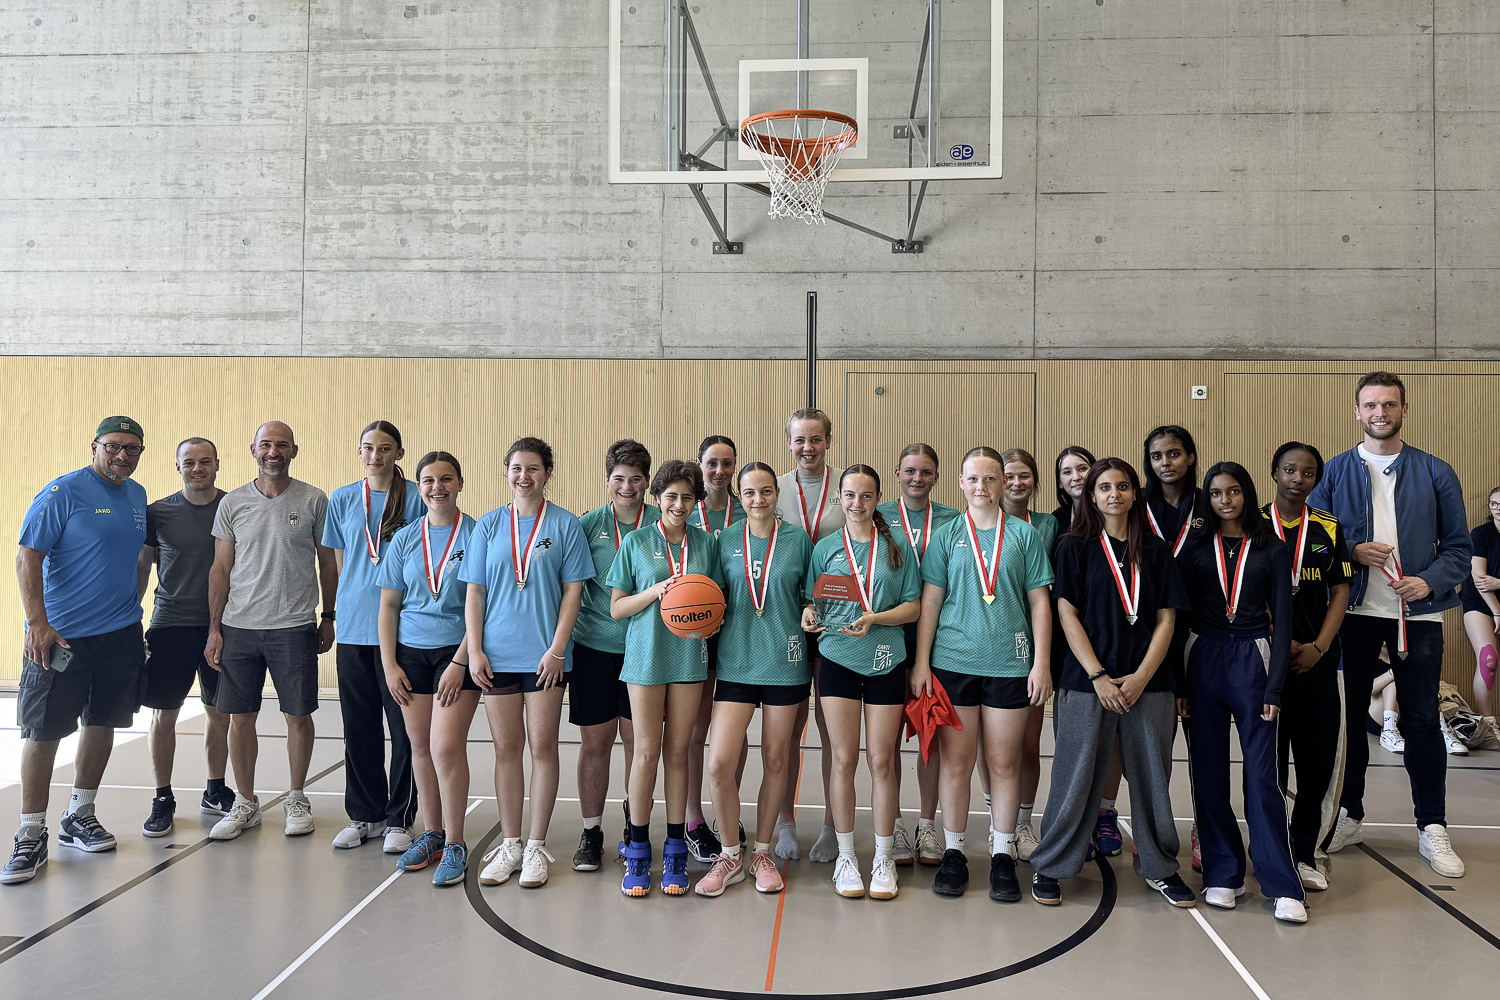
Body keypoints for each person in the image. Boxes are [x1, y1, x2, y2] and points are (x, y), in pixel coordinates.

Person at [1312, 371, 1471, 878]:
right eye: (1371, 405)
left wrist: (1428, 582)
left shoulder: (1436, 472)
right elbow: (1311, 547)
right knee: (1349, 721)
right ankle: (1348, 814)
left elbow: (1461, 550)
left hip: (1417, 617)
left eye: (1389, 404)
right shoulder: (1334, 473)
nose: (1380, 413)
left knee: (1422, 722)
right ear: (1356, 412)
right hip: (1351, 617)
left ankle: (1432, 827)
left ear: (1404, 410)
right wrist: (1351, 551)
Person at [1030, 458, 1196, 908]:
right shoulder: (1074, 547)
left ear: (1135, 493)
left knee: (1152, 779)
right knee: (1075, 776)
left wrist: (1141, 677)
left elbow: (1167, 620)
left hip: (1149, 683)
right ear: (1091, 495)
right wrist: (1099, 676)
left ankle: (1161, 866)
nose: (1114, 494)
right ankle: (1052, 864)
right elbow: (1067, 614)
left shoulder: (1157, 551)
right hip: (1087, 683)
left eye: (1123, 486)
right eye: (1104, 487)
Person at [5, 417, 149, 885]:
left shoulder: (137, 495)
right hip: (63, 637)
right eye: (114, 447)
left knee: (103, 722)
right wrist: (37, 624)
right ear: (95, 446)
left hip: (121, 635)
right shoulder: (62, 492)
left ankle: (79, 815)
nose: (122, 456)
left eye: (132, 449)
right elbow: (28, 555)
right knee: (44, 731)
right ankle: (30, 832)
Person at [911, 447, 1053, 902]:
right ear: (960, 482)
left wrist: (1042, 663)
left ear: (1003, 483)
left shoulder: (1025, 536)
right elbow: (930, 602)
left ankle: (1002, 853)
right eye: (973, 479)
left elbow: (1039, 603)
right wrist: (921, 662)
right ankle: (954, 852)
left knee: (1004, 762)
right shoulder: (947, 536)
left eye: (991, 479)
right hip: (952, 664)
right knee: (956, 762)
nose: (982, 487)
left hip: (1010, 665)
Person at [1177, 461, 1305, 923]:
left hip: (1255, 658)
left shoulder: (1272, 547)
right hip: (1204, 658)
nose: (1225, 500)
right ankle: (1222, 873)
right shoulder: (1193, 550)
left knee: (1262, 778)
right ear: (1206, 500)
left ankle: (1280, 883)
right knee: (1207, 774)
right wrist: (1178, 683)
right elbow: (1177, 622)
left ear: (1247, 495)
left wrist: (1276, 686)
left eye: (1233, 491)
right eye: (1215, 493)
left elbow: (1285, 619)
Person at [464, 438, 594, 890]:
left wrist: (557, 650)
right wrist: (475, 650)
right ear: (506, 472)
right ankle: (511, 842)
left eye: (534, 468)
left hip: (545, 658)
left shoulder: (565, 524)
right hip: (495, 656)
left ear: (548, 473)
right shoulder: (486, 526)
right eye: (516, 468)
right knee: (505, 749)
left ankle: (537, 846)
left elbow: (573, 592)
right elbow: (475, 592)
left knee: (542, 747)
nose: (525, 476)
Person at [205, 421, 336, 842]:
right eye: (266, 444)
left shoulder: (315, 500)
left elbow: (327, 563)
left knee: (298, 716)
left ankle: (297, 797)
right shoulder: (233, 504)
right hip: (239, 628)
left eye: (281, 444)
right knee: (240, 719)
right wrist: (214, 629)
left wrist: (328, 615)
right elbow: (220, 569)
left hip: (294, 626)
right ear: (253, 450)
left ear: (294, 451)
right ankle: (246, 801)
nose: (273, 451)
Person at [695, 463, 814, 897]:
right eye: (750, 493)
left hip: (785, 663)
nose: (758, 499)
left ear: (775, 495)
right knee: (720, 762)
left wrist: (809, 609)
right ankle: (730, 854)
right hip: (736, 664)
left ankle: (762, 851)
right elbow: (708, 596)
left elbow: (812, 594)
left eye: (766, 491)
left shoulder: (799, 540)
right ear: (739, 496)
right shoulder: (723, 540)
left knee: (776, 759)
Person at [609, 459, 726, 897]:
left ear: (698, 501)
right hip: (645, 657)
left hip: (688, 658)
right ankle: (638, 849)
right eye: (671, 496)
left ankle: (675, 848)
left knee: (678, 753)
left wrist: (712, 619)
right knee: (645, 752)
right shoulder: (637, 542)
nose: (679, 504)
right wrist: (657, 592)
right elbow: (617, 607)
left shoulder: (705, 543)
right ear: (657, 499)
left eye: (688, 497)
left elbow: (715, 600)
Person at [804, 466, 921, 899]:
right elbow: (812, 600)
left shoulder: (897, 548)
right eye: (849, 496)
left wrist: (875, 618)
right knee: (843, 760)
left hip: (886, 660)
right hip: (837, 660)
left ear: (877, 499)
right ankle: (848, 856)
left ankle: (884, 857)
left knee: (882, 761)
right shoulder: (826, 548)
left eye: (866, 496)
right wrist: (808, 613)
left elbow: (912, 608)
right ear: (840, 498)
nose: (857, 504)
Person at [324, 421, 425, 853]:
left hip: (403, 632)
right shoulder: (343, 498)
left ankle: (400, 817)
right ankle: (364, 814)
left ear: (399, 453)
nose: (376, 455)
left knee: (405, 729)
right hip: (353, 629)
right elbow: (342, 564)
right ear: (359, 452)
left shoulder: (419, 498)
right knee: (359, 727)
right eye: (368, 448)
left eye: (385, 449)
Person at [376, 451, 477, 880]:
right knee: (418, 748)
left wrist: (460, 662)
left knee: (445, 747)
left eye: (446, 479)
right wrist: (389, 665)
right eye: (429, 481)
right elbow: (388, 605)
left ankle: (455, 841)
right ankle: (432, 834)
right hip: (409, 654)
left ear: (459, 483)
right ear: (419, 487)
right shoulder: (404, 538)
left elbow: (482, 606)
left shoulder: (477, 534)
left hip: (458, 652)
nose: (438, 487)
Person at [1262, 443, 1351, 891]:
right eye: (1290, 470)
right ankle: (1274, 852)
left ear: (1316, 479)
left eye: (1308, 472)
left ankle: (1307, 853)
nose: (1298, 478)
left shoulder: (1329, 527)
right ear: (1274, 472)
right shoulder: (1255, 525)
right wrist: (1282, 640)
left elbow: (1340, 591)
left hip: (1319, 663)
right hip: (1268, 665)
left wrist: (1318, 644)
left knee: (1316, 765)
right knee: (1269, 766)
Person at [569, 439, 659, 872]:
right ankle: (591, 831)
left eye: (636, 479)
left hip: (646, 651)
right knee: (595, 743)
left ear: (647, 482)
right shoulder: (587, 525)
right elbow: (571, 590)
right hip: (594, 648)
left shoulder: (662, 524)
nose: (627, 487)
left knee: (637, 743)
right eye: (619, 479)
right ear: (608, 481)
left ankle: (633, 825)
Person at [137, 437, 232, 838]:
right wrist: (131, 618)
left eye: (205, 461)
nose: (198, 468)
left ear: (217, 465)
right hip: (170, 625)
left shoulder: (234, 506)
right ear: (177, 467)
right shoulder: (157, 512)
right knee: (165, 715)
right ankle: (163, 797)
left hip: (222, 627)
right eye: (189, 462)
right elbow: (143, 567)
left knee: (218, 712)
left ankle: (215, 789)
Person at [877, 443, 960, 866]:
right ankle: (892, 823)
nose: (917, 478)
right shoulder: (877, 516)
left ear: (937, 477)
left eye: (926, 472)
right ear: (897, 472)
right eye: (910, 470)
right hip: (888, 641)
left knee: (931, 737)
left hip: (937, 642)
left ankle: (928, 826)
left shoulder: (951, 520)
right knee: (886, 739)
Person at [774, 407, 846, 863]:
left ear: (828, 441)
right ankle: (784, 822)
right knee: (789, 728)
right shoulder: (773, 488)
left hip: (835, 619)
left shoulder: (848, 486)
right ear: (788, 443)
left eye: (815, 439)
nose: (807, 448)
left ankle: (830, 827)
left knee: (831, 730)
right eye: (799, 440)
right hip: (785, 618)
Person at [1141, 424, 1201, 865]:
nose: (1166, 463)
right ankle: (1153, 831)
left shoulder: (1210, 503)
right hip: (1150, 629)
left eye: (1174, 454)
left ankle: (1205, 826)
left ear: (1191, 457)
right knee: (1155, 747)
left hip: (1203, 631)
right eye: (1158, 456)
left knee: (1204, 743)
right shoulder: (1137, 503)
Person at [682, 434, 743, 862]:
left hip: (741, 630)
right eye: (712, 463)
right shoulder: (688, 511)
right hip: (697, 632)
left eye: (727, 463)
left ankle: (726, 813)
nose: (719, 471)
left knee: (731, 733)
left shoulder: (750, 509)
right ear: (700, 466)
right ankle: (693, 819)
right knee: (694, 728)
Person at [999, 448, 1058, 863]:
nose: (1016, 483)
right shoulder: (975, 524)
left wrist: (1043, 656)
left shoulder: (1047, 525)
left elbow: (1044, 594)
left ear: (1035, 481)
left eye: (1024, 476)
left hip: (1030, 647)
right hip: (987, 646)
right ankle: (995, 817)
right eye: (1009, 476)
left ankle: (1022, 822)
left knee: (1028, 746)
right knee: (994, 750)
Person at [1459, 486, 1500, 747]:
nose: (1498, 508)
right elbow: (1480, 579)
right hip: (1481, 603)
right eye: (1494, 504)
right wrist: (1497, 610)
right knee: (1489, 660)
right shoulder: (1481, 534)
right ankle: (1488, 724)